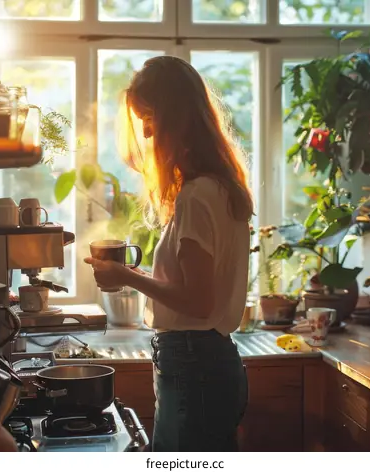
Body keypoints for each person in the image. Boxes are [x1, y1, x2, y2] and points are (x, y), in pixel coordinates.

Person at [84, 55, 253, 452]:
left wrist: (124, 276)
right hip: (207, 363)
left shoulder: (197, 196)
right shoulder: (220, 187)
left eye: (150, 117)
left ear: (175, 118)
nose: (144, 130)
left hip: (195, 365)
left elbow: (197, 301)